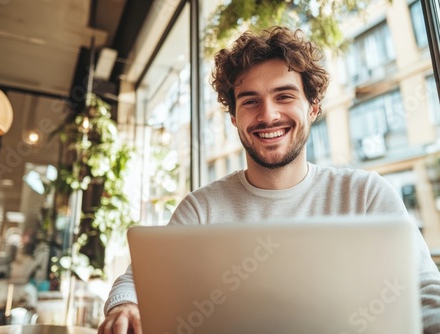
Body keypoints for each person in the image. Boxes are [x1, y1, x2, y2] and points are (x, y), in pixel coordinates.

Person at [98, 26, 440, 334]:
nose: (268, 115)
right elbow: (137, 283)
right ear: (234, 118)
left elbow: (425, 293)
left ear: (313, 107)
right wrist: (126, 306)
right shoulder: (201, 209)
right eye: (250, 101)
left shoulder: (365, 194)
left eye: (285, 96)